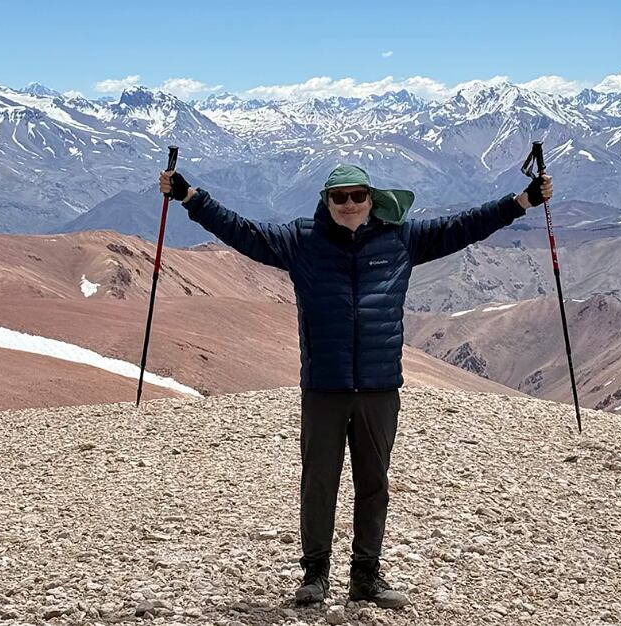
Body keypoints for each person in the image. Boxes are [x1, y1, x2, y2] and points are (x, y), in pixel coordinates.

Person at [159, 164, 551, 609]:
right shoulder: (301, 241)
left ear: (371, 197)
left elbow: (464, 227)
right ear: (325, 201)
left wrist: (522, 202)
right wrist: (191, 198)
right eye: (339, 197)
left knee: (373, 484)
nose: (349, 205)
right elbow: (241, 231)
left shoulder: (400, 237)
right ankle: (315, 576)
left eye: (357, 196)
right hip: (324, 387)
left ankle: (366, 576)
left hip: (380, 387)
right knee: (319, 482)